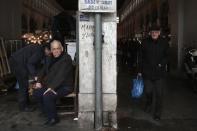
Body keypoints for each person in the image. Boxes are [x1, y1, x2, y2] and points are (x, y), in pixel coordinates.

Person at [33, 39, 74, 126]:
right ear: (51, 50)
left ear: (62, 48)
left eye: (58, 48)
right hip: (51, 84)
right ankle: (47, 111)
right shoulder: (49, 58)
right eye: (54, 49)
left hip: (64, 86)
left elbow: (61, 76)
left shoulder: (66, 59)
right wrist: (38, 81)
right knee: (37, 92)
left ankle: (53, 119)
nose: (56, 51)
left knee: (47, 95)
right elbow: (42, 71)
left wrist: (51, 88)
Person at [139, 25, 169, 121]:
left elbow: (167, 56)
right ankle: (149, 103)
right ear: (150, 33)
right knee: (148, 91)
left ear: (159, 33)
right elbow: (140, 57)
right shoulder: (144, 42)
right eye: (152, 32)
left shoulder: (164, 42)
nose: (154, 33)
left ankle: (157, 114)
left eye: (156, 32)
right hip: (147, 72)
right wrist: (139, 70)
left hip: (159, 73)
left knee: (159, 94)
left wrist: (162, 64)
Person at [9, 44, 44, 112]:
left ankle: (26, 102)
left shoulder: (39, 49)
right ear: (47, 49)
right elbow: (30, 63)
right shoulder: (40, 52)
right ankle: (23, 106)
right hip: (17, 63)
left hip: (16, 61)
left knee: (24, 83)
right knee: (23, 85)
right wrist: (35, 76)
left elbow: (35, 64)